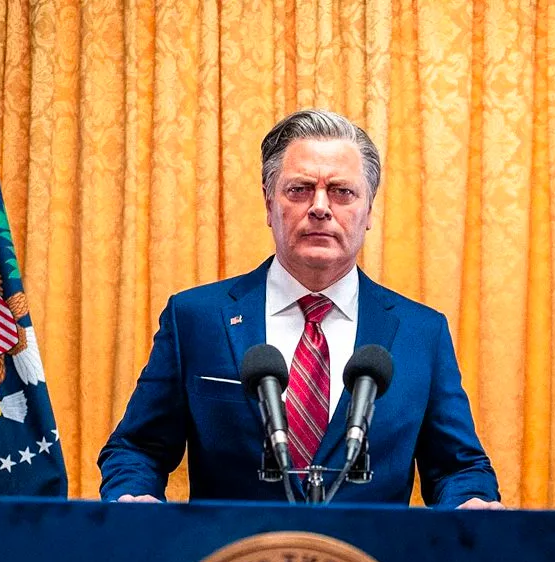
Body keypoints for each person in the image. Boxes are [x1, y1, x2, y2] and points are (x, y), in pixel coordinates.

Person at [98, 109, 501, 509]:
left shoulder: (420, 332)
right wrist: (135, 498)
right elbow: (137, 448)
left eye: (343, 192)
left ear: (369, 211)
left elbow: (457, 468)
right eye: (300, 189)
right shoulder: (196, 319)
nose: (321, 207)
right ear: (269, 203)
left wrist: (471, 504)